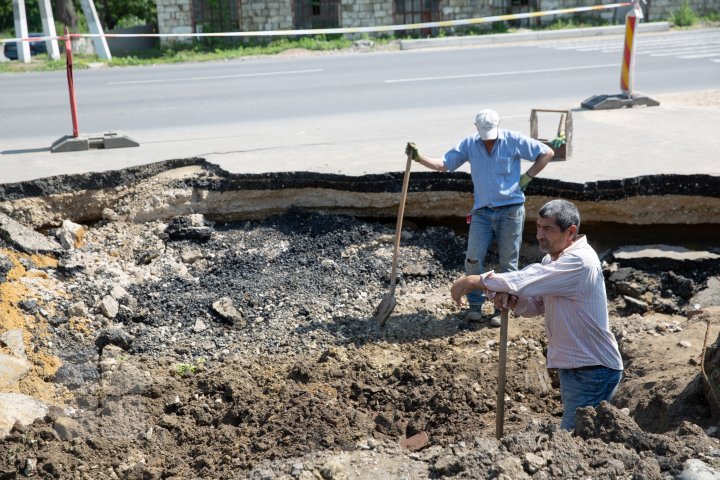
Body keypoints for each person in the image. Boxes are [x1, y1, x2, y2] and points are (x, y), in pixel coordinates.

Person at [450, 199, 623, 431]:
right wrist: (511, 299)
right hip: (577, 367)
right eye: (538, 227)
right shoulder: (553, 259)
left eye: (548, 229)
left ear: (571, 231)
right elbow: (535, 305)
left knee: (573, 439)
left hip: (593, 370)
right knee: (577, 437)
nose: (539, 235)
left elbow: (526, 279)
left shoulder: (579, 261)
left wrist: (476, 280)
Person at [406, 109, 554, 326]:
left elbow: (547, 153)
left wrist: (528, 176)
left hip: (511, 210)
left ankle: (502, 307)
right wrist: (419, 158)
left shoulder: (513, 140)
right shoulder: (470, 144)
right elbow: (444, 164)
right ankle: (475, 305)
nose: (489, 140)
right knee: (473, 258)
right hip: (482, 212)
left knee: (508, 262)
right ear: (476, 128)